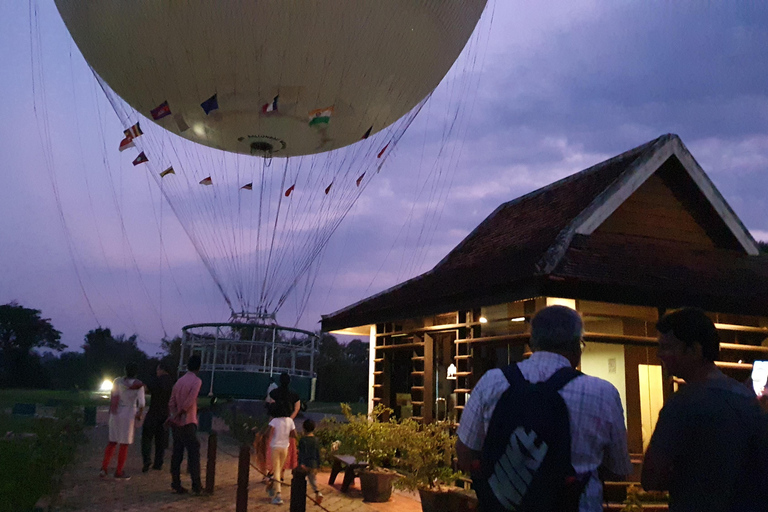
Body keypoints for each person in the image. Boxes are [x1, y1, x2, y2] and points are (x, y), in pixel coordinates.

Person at [456, 305, 632, 511]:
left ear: (532, 342)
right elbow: (619, 470)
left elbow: (465, 452)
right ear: (577, 346)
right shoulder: (603, 393)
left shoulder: (492, 382)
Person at [641, 308, 768, 512]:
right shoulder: (747, 400)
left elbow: (651, 478)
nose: (659, 354)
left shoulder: (682, 404)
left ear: (694, 350)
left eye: (667, 347)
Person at [100, 361, 145, 480]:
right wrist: (139, 415)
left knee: (112, 441)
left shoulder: (117, 381)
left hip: (115, 413)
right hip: (128, 414)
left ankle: (104, 468)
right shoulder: (139, 385)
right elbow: (142, 403)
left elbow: (113, 396)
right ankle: (119, 471)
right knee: (124, 444)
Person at [167, 354, 203, 494]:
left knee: (177, 452)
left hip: (176, 424)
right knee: (194, 453)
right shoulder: (196, 381)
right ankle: (196, 485)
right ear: (198, 367)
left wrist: (174, 415)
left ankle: (176, 482)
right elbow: (190, 401)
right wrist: (181, 412)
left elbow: (171, 402)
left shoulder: (179, 382)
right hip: (188, 421)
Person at [141, 362, 174, 472]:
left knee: (147, 438)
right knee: (160, 440)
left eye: (158, 370)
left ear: (161, 369)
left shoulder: (156, 380)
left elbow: (146, 389)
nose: (157, 372)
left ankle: (147, 460)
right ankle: (158, 463)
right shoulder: (171, 382)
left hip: (154, 412)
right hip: (165, 413)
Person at [265, 412, 297, 505]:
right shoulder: (290, 421)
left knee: (276, 471)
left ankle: (277, 494)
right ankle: (272, 488)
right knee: (279, 470)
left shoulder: (274, 421)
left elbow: (267, 433)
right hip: (285, 447)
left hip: (275, 447)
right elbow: (294, 434)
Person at [298, 418, 323, 504]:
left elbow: (301, 453)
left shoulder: (303, 440)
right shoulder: (316, 440)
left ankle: (299, 496)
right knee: (312, 480)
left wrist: (301, 463)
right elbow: (317, 453)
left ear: (304, 428)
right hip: (314, 464)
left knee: (299, 480)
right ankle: (317, 492)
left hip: (305, 463)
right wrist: (318, 465)